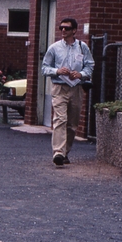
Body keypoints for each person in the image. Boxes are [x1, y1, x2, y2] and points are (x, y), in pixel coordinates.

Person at [41, 18, 95, 166]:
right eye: (61, 28)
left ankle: (65, 152)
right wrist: (57, 71)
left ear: (74, 31)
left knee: (72, 123)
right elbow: (44, 68)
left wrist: (81, 74)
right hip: (60, 88)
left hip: (76, 88)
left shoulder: (82, 47)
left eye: (66, 28)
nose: (63, 31)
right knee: (60, 119)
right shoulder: (54, 48)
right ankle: (58, 152)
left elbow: (90, 65)